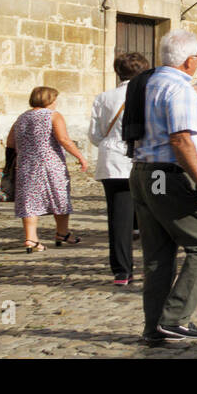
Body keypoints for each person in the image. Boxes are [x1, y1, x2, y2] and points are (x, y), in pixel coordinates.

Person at [130, 29, 197, 345]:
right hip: (168, 174)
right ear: (189, 59)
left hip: (146, 173)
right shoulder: (178, 89)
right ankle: (175, 318)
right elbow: (180, 138)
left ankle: (154, 325)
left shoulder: (149, 82)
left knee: (158, 254)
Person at [88, 53, 149, 283]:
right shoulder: (146, 95)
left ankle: (122, 270)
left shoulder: (104, 97)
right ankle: (156, 263)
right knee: (154, 210)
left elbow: (95, 135)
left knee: (118, 218)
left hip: (111, 161)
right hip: (141, 159)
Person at [10, 86, 88, 252]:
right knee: (58, 196)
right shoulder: (53, 115)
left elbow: (10, 142)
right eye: (54, 99)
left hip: (26, 164)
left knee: (29, 200)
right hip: (50, 164)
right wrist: (80, 156)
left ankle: (31, 239)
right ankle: (62, 232)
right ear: (49, 100)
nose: (55, 103)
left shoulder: (22, 118)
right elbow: (64, 139)